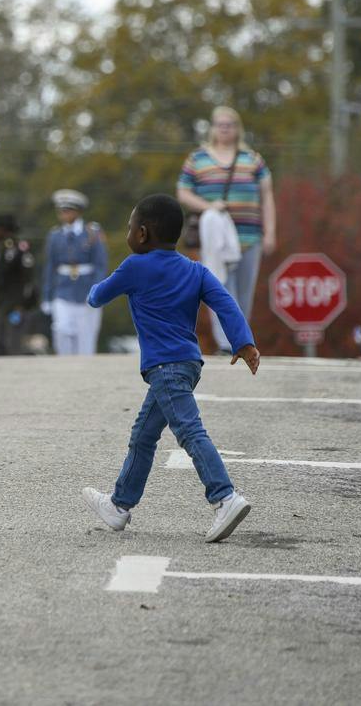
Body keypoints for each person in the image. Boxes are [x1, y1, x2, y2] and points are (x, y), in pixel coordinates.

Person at [82, 194, 258, 544]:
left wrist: (93, 288)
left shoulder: (135, 266)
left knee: (190, 432)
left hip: (164, 367)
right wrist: (243, 342)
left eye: (131, 227)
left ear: (143, 234)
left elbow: (97, 297)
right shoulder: (195, 270)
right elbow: (225, 303)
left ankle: (224, 497)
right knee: (144, 436)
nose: (129, 233)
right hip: (189, 365)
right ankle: (119, 506)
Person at [176, 105, 275, 349]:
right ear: (212, 128)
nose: (224, 129)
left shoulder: (252, 159)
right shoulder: (198, 158)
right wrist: (208, 206)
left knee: (244, 291)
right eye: (219, 124)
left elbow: (267, 196)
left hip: (248, 236)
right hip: (215, 237)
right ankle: (225, 343)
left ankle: (241, 339)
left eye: (229, 125)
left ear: (237, 128)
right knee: (219, 287)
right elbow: (182, 192)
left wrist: (270, 232)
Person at [46, 188, 108, 355]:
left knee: (86, 336)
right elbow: (51, 267)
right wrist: (47, 296)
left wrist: (98, 291)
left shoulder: (92, 233)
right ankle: (64, 366)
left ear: (78, 211)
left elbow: (100, 264)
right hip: (63, 289)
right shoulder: (55, 235)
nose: (64, 214)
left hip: (86, 289)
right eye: (61, 211)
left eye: (68, 210)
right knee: (61, 329)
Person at [0, 213, 40, 356]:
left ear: (2, 229)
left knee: (12, 344)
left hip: (15, 303)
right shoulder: (2, 248)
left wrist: (23, 304)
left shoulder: (18, 249)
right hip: (2, 302)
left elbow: (28, 279)